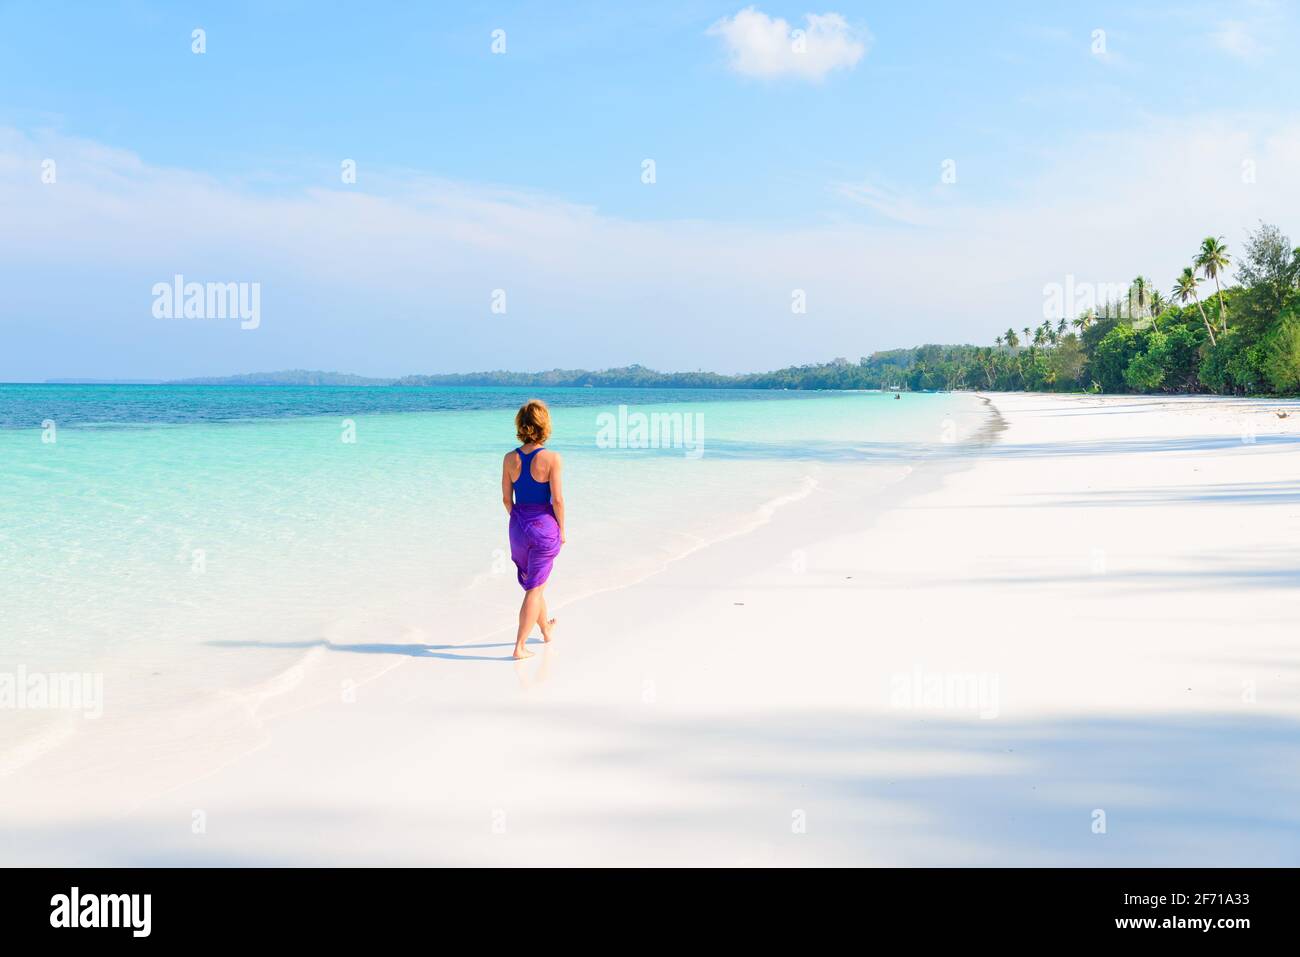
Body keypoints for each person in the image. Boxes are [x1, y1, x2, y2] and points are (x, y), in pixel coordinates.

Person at [501, 399, 565, 659]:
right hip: (544, 529)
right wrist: (562, 530)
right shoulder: (552, 458)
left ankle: (546, 630)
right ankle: (519, 646)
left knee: (535, 584)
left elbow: (507, 500)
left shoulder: (509, 458)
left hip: (517, 527)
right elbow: (558, 500)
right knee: (534, 589)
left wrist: (520, 521)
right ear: (544, 424)